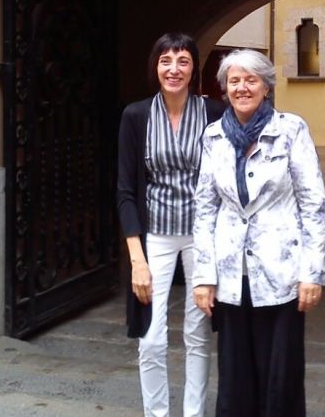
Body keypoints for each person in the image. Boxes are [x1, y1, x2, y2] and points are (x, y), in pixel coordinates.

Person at [192, 49, 325, 417]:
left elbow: (312, 204)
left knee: (280, 378)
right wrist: (203, 277)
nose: (242, 88)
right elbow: (205, 209)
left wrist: (311, 273)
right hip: (230, 276)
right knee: (235, 379)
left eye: (250, 80)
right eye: (234, 81)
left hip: (282, 273)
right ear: (224, 89)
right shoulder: (214, 136)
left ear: (266, 86)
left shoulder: (290, 130)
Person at [117, 32, 224, 417]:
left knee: (197, 334)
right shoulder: (137, 116)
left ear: (195, 67)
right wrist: (137, 259)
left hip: (202, 236)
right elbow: (126, 190)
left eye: (182, 60)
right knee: (150, 337)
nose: (173, 69)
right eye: (166, 60)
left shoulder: (213, 113)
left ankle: (193, 413)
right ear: (155, 67)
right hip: (155, 236)